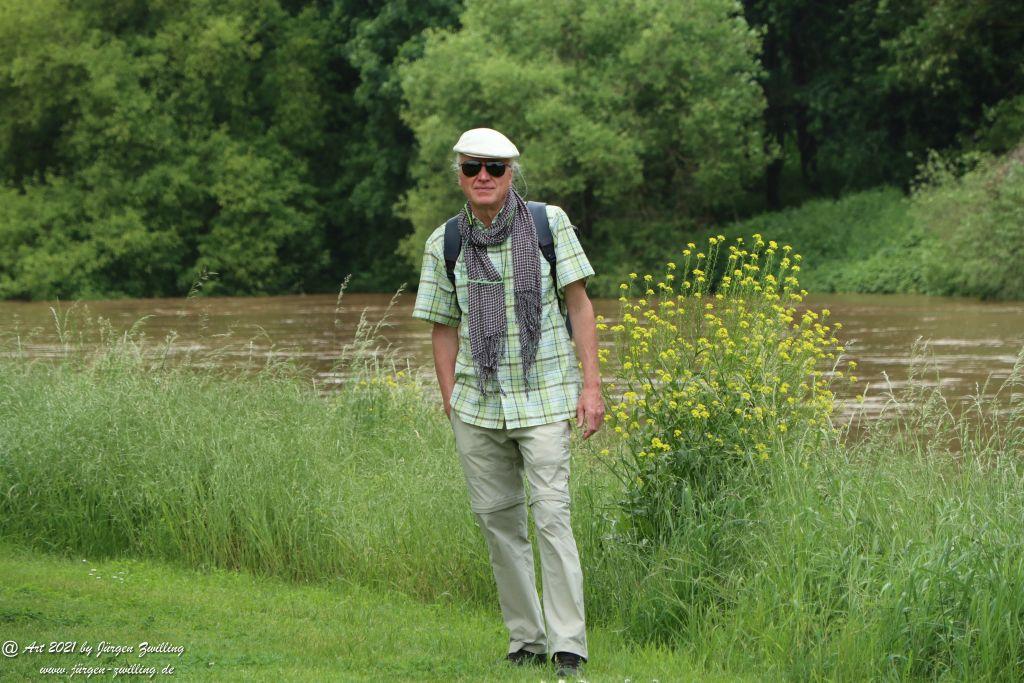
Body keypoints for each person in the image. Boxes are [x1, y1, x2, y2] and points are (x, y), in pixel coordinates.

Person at [412, 127, 605, 678]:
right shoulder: (443, 242)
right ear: (460, 174)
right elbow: (442, 328)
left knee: (551, 517)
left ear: (511, 174)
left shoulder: (550, 224)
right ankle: (527, 640)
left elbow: (580, 304)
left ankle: (569, 646)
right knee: (499, 524)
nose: (483, 178)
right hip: (478, 406)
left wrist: (591, 387)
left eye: (494, 168)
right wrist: (451, 401)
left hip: (544, 398)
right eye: (473, 167)